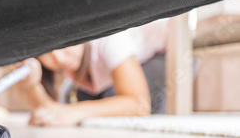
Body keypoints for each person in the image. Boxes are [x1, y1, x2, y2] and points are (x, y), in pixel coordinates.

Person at [16, 19, 169, 126]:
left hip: (170, 50)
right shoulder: (70, 66)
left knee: (112, 101)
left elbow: (139, 104)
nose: (58, 58)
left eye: (62, 45)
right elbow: (51, 113)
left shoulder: (110, 38)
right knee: (76, 103)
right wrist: (31, 87)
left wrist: (73, 112)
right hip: (123, 61)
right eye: (45, 53)